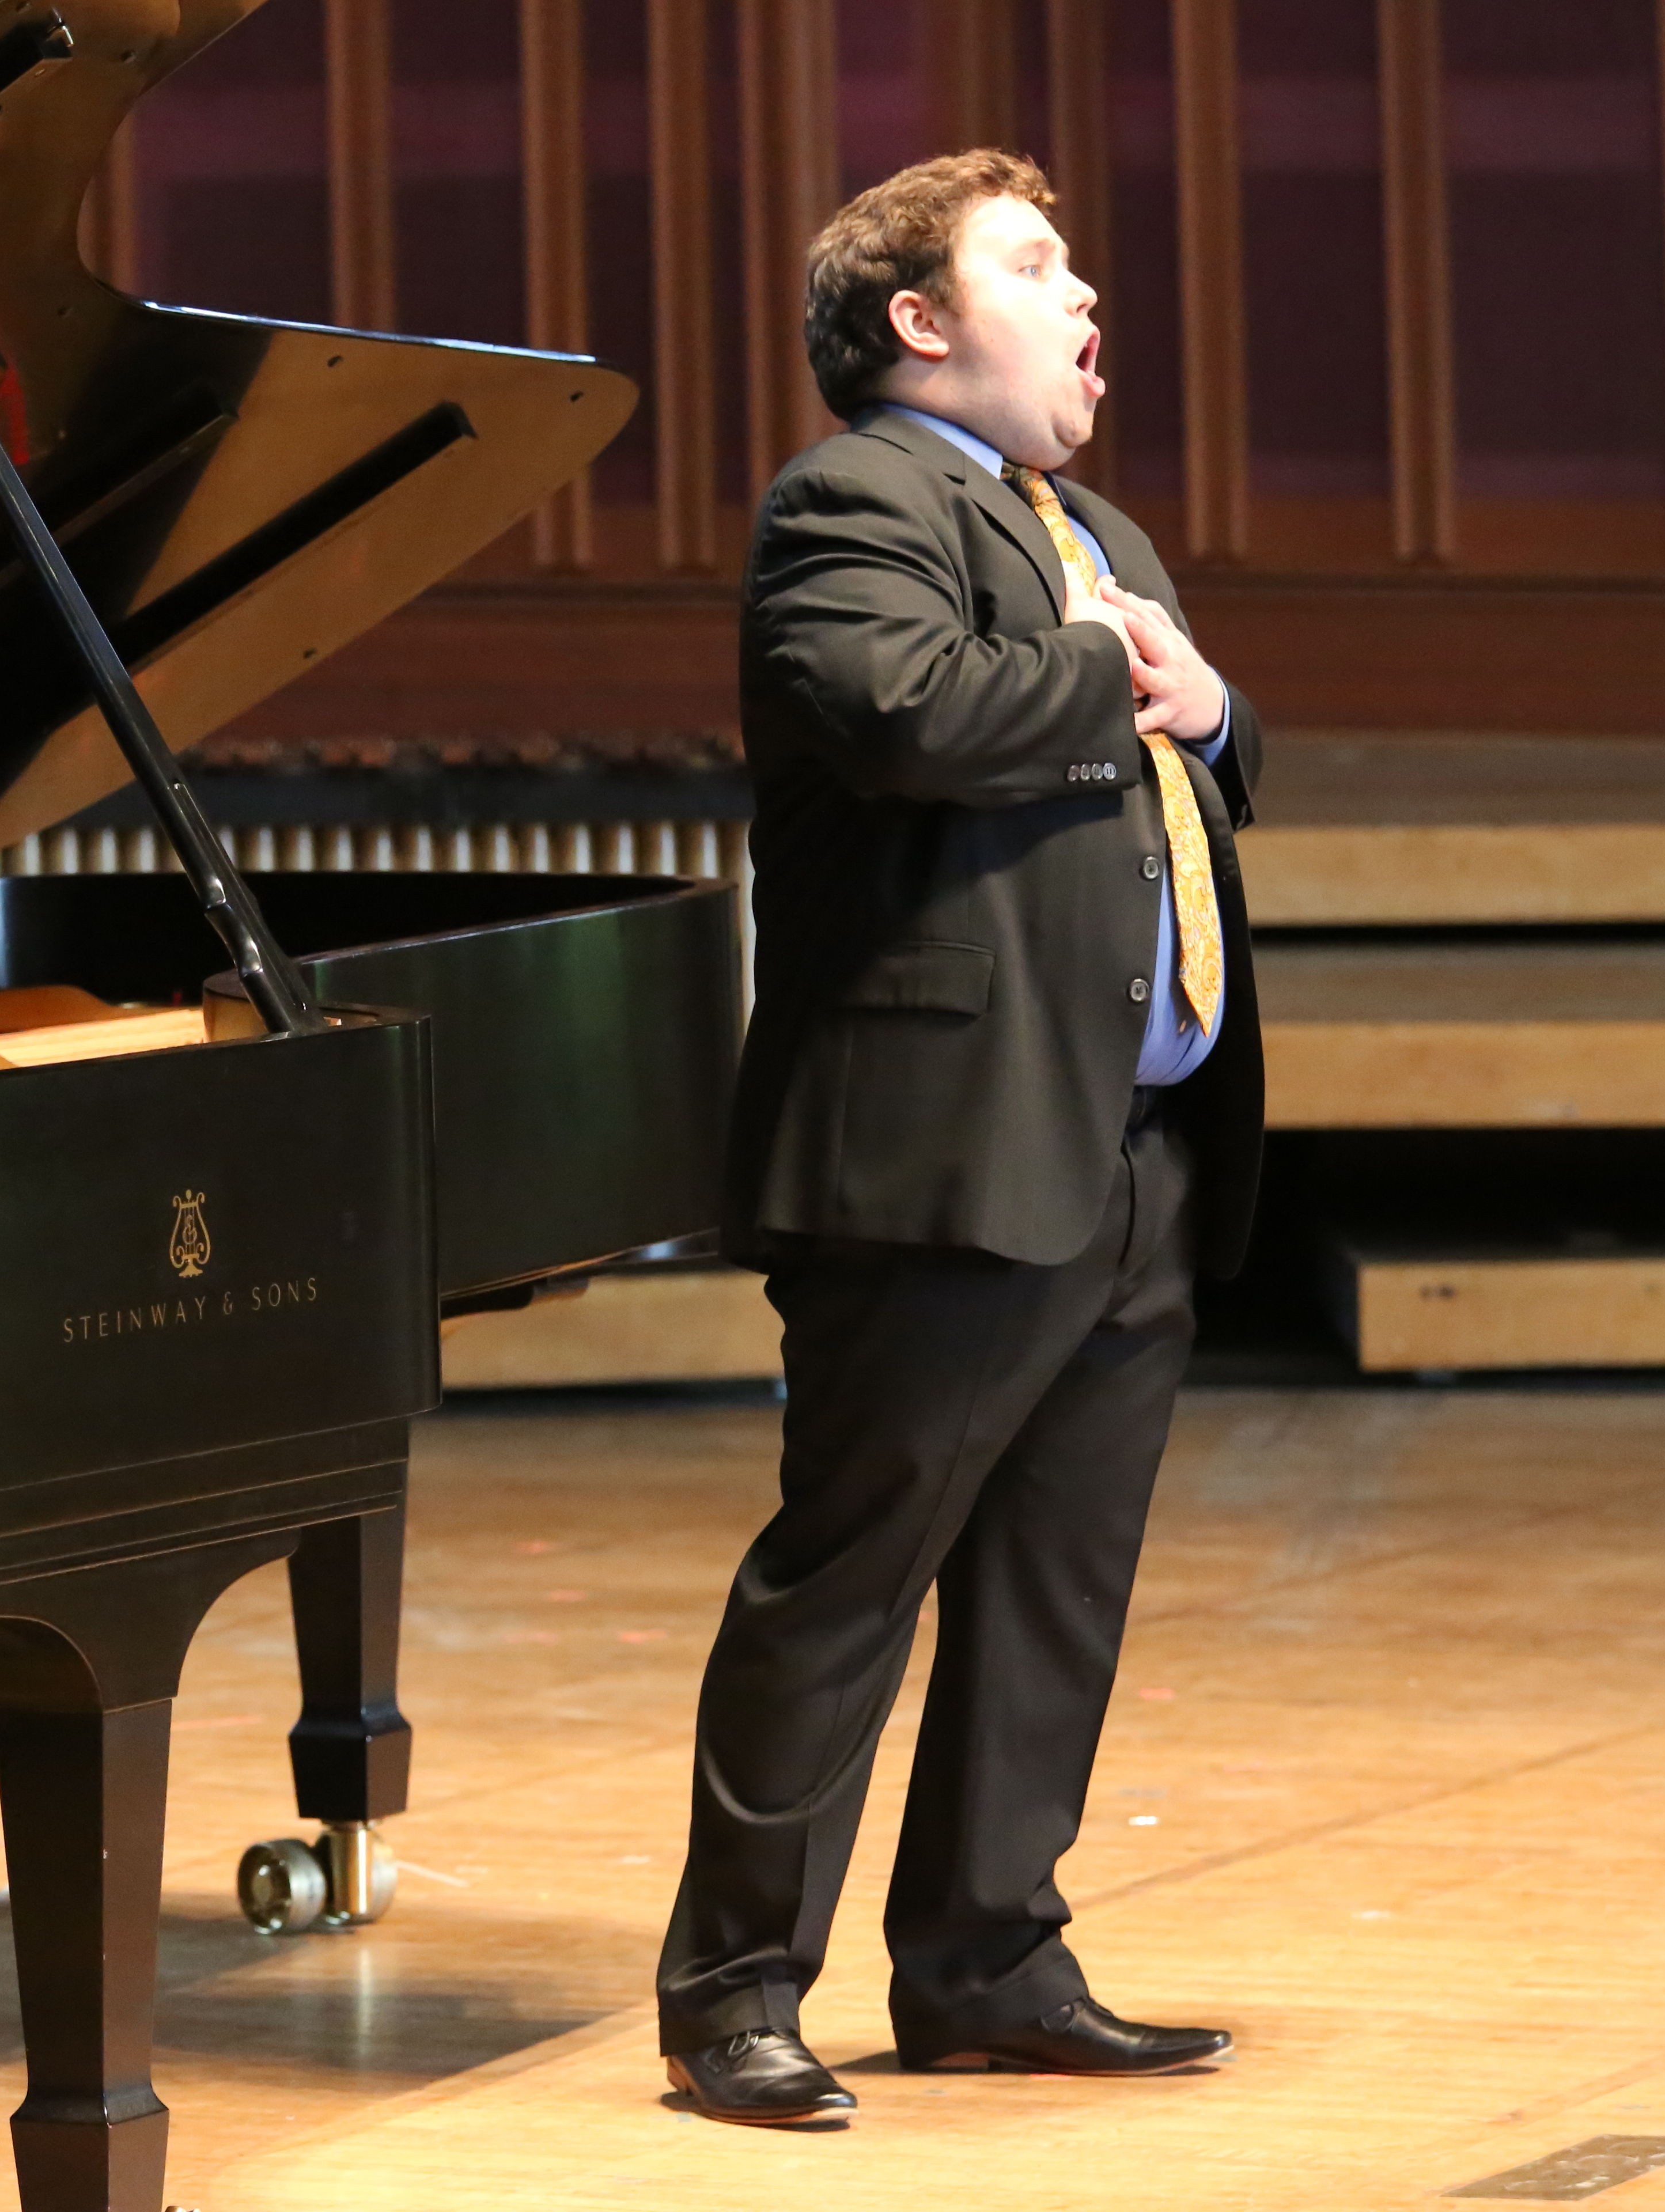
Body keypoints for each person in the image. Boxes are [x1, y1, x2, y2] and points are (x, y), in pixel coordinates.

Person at [656, 151, 1263, 2124]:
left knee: (1056, 1584)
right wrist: (1125, 668)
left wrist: (1217, 698)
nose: (1090, 296)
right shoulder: (854, 499)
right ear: (920, 323)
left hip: (1131, 1144)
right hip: (942, 1148)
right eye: (1037, 263)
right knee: (850, 1582)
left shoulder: (1096, 530)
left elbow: (1206, 755)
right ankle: (735, 1989)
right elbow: (904, 711)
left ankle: (989, 1957)